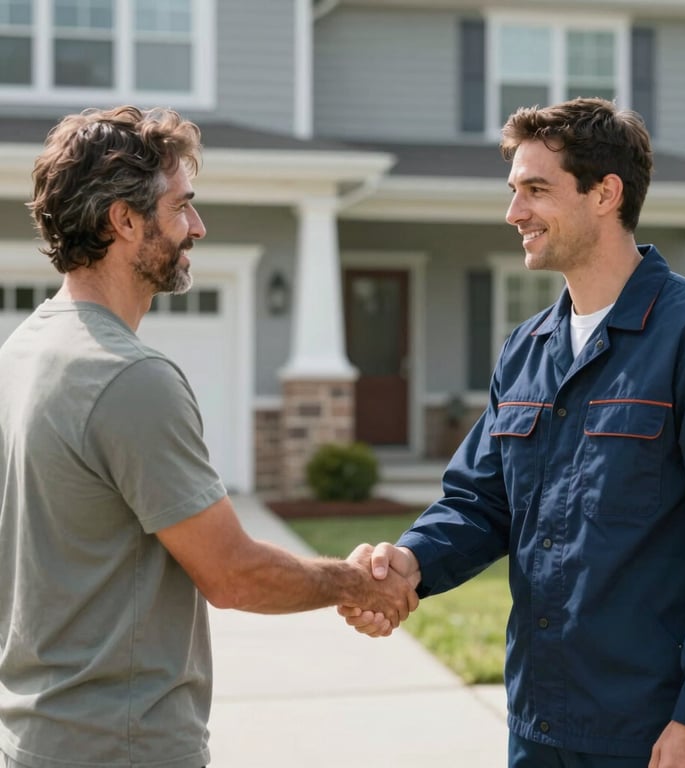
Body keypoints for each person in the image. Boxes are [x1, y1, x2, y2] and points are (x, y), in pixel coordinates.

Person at [340, 97, 685, 768]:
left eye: (536, 190)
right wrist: (411, 563)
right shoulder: (527, 349)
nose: (514, 213)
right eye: (514, 191)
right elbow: (480, 501)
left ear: (606, 194)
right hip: (539, 725)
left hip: (654, 735)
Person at [0, 105, 419, 768]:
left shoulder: (23, 350)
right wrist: (355, 582)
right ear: (125, 219)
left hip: (36, 737)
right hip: (120, 746)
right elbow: (233, 574)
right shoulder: (129, 377)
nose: (197, 226)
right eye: (182, 206)